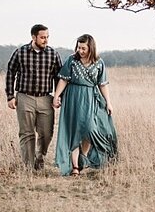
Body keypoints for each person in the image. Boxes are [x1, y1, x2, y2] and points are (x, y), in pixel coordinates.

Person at [52, 34, 118, 176]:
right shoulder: (72, 60)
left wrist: (108, 102)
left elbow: (102, 84)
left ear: (90, 48)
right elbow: (63, 80)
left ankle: (84, 157)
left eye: (83, 48)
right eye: (78, 47)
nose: (80, 50)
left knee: (90, 129)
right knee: (73, 131)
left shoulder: (99, 63)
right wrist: (56, 96)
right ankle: (75, 167)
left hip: (91, 98)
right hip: (73, 97)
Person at [6, 24, 62, 171]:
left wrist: (58, 96)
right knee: (27, 133)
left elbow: (59, 77)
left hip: (45, 98)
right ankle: (28, 166)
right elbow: (10, 73)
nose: (46, 40)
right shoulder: (20, 52)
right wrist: (10, 96)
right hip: (25, 97)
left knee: (46, 132)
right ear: (33, 37)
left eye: (47, 37)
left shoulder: (53, 54)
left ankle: (40, 156)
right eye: (42, 37)